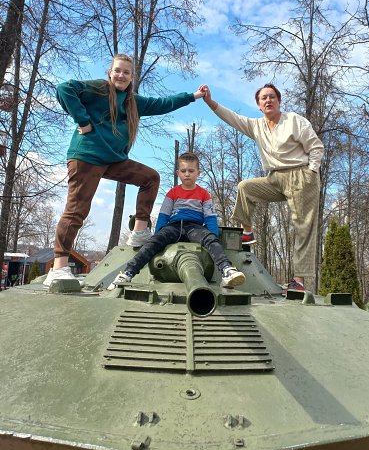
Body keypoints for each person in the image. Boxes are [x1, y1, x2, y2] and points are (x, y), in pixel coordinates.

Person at [43, 54, 205, 286]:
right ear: (110, 72)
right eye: (117, 70)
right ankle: (58, 267)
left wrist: (193, 96)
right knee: (77, 209)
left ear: (132, 77)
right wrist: (83, 121)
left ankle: (138, 232)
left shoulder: (133, 102)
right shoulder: (99, 89)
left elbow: (163, 103)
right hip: (87, 156)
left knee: (150, 178)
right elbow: (64, 88)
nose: (121, 75)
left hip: (113, 159)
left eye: (126, 72)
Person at [201, 83, 324, 292]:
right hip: (275, 177)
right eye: (263, 98)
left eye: (272, 97)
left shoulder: (294, 121)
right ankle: (247, 232)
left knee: (302, 227)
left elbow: (316, 147)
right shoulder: (256, 126)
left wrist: (311, 172)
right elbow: (233, 118)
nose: (268, 100)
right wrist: (209, 102)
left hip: (300, 175)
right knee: (246, 188)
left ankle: (299, 281)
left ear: (279, 101)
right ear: (258, 105)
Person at [109, 152, 246, 289]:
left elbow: (210, 216)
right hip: (174, 226)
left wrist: (213, 234)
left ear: (198, 173)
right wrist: (159, 233)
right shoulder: (173, 193)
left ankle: (227, 270)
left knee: (211, 240)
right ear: (178, 173)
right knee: (153, 243)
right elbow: (164, 214)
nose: (187, 174)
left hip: (195, 227)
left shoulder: (204, 194)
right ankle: (128, 272)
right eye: (183, 171)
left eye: (191, 171)